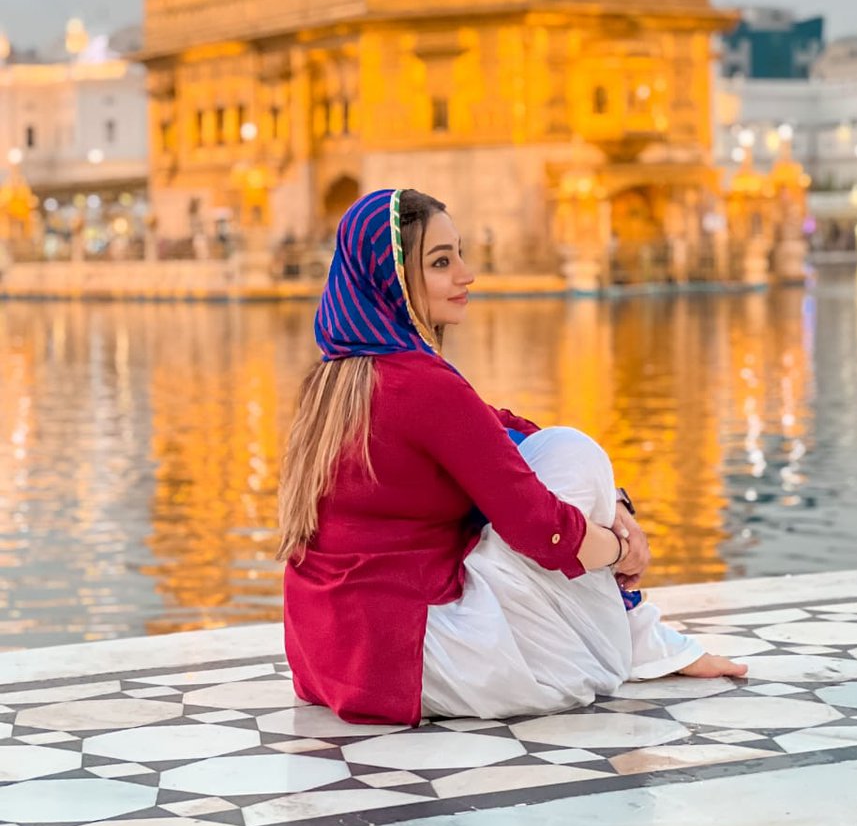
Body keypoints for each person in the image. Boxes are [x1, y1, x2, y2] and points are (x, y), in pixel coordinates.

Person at [279, 189, 746, 726]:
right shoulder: (419, 384)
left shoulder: (333, 381)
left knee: (556, 453)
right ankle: (643, 640)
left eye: (459, 254)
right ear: (394, 282)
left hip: (328, 661)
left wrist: (611, 502)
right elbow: (541, 530)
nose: (466, 274)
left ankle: (644, 637)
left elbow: (498, 430)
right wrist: (622, 551)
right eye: (440, 262)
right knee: (575, 453)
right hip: (411, 662)